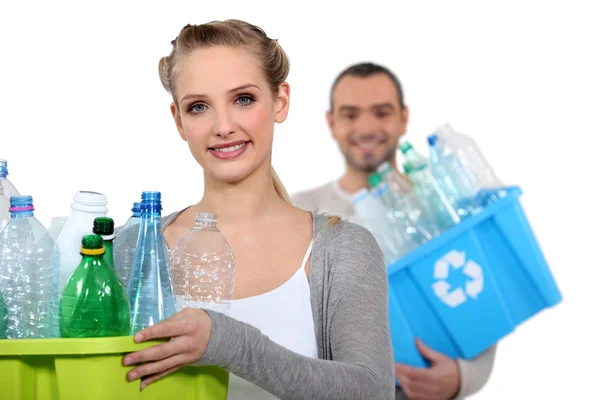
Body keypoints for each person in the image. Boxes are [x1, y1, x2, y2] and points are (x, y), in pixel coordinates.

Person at [120, 21, 395, 399]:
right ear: (179, 121)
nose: (223, 126)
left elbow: (372, 391)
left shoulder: (342, 250)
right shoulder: (135, 249)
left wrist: (232, 344)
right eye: (199, 107)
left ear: (280, 101)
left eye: (243, 99)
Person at [292, 63, 497, 399]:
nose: (367, 127)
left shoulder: (436, 206)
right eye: (351, 114)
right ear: (332, 123)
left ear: (403, 118)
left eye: (381, 113)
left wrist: (461, 378)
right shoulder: (302, 210)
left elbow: (481, 309)